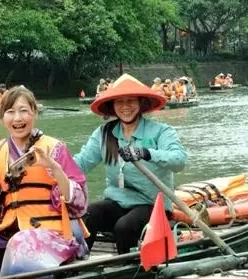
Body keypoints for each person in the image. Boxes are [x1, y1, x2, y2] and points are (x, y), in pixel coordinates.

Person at [0, 86, 88, 277]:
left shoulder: (54, 148)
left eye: (24, 111)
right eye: (10, 112)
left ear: (34, 113)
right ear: (3, 117)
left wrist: (55, 169)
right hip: (8, 231)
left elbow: (80, 204)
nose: (17, 118)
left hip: (52, 233)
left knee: (22, 241)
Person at [75, 74, 188, 254]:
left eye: (130, 101)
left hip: (152, 205)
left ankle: (127, 268)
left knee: (124, 227)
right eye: (119, 102)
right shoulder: (106, 134)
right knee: (88, 214)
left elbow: (179, 160)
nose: (125, 107)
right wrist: (53, 165)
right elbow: (81, 163)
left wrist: (146, 153)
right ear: (112, 106)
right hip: (117, 202)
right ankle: (78, 264)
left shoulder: (160, 131)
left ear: (141, 103)